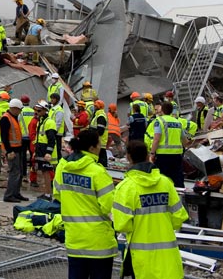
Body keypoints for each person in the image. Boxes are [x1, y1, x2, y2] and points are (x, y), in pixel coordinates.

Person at [113, 140, 188, 279]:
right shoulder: (166, 183)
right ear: (148, 155)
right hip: (167, 258)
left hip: (141, 259)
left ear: (128, 157)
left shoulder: (125, 188)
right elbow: (178, 218)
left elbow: (122, 225)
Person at [53, 128, 118, 278]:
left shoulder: (63, 166)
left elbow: (57, 193)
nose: (101, 146)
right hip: (99, 242)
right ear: (91, 148)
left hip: (74, 239)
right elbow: (109, 206)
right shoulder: (98, 172)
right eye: (99, 143)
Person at [151, 102, 186, 188]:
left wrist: (152, 153)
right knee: (177, 179)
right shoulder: (178, 122)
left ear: (162, 110)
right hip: (177, 155)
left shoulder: (159, 121)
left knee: (162, 179)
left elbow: (156, 139)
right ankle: (179, 198)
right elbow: (184, 140)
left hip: (163, 156)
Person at [0, 98, 26, 202]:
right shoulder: (6, 118)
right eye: (19, 109)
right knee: (14, 173)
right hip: (12, 150)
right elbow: (4, 137)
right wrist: (9, 151)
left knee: (19, 172)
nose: (20, 111)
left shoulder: (13, 117)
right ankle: (9, 195)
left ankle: (16, 193)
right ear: (14, 108)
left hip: (17, 149)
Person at [34, 100, 58, 197]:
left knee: (47, 172)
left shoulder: (49, 122)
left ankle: (48, 194)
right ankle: (47, 193)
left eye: (39, 111)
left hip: (46, 152)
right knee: (44, 172)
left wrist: (48, 152)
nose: (37, 113)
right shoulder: (41, 122)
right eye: (36, 111)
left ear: (45, 111)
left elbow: (51, 139)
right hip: (41, 150)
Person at [19, 95, 36, 172]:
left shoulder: (20, 111)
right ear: (29, 102)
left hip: (22, 136)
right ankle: (33, 170)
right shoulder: (33, 111)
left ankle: (24, 172)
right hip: (32, 136)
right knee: (33, 154)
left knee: (23, 155)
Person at [91, 100, 109, 168]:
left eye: (95, 106)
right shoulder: (98, 115)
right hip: (98, 141)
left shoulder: (101, 116)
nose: (94, 107)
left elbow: (100, 131)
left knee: (101, 160)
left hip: (99, 141)